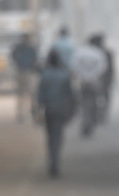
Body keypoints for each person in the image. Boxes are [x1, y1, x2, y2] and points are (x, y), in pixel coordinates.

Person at [36, 50, 75, 178]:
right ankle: (55, 162)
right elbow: (71, 95)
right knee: (58, 137)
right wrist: (72, 110)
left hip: (49, 110)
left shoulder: (45, 75)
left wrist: (37, 111)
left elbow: (40, 96)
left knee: (50, 137)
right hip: (61, 110)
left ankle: (52, 162)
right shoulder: (65, 75)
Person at [70, 34, 109, 137]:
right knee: (93, 103)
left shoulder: (80, 53)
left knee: (84, 104)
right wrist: (93, 76)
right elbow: (103, 68)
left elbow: (74, 66)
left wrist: (82, 75)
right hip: (94, 82)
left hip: (82, 82)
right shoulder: (99, 53)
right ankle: (90, 123)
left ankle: (85, 123)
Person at [10, 33, 38, 123]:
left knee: (27, 94)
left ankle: (28, 113)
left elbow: (34, 58)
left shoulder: (27, 48)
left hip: (25, 71)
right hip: (24, 71)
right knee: (25, 94)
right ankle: (22, 114)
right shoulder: (24, 47)